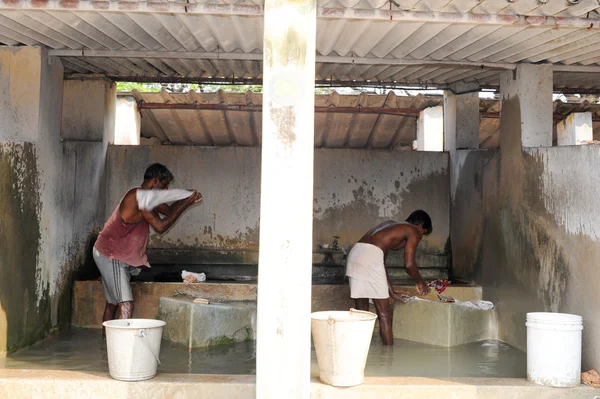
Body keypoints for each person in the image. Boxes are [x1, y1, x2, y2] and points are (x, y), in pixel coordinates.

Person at [93, 163, 202, 334]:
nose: (166, 191)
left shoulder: (147, 197)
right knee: (126, 303)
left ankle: (107, 348)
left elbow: (169, 211)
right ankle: (123, 346)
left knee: (113, 303)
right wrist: (186, 203)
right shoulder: (139, 197)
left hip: (110, 253)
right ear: (155, 182)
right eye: (164, 186)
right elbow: (160, 226)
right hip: (110, 255)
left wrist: (187, 197)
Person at [345, 210, 433, 345]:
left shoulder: (390, 225)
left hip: (355, 253)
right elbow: (409, 264)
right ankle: (388, 358)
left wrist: (392, 292)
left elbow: (380, 265)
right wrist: (421, 282)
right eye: (423, 233)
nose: (420, 237)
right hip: (370, 256)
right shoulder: (413, 230)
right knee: (385, 315)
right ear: (420, 226)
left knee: (362, 314)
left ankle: (359, 350)